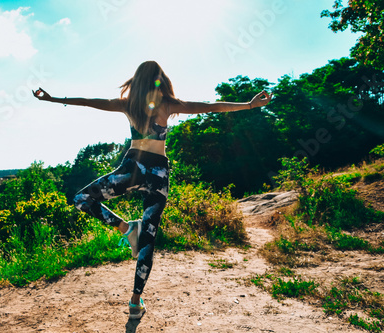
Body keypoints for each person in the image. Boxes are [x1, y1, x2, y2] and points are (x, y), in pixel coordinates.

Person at [33, 60, 272, 320]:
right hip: (152, 172)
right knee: (145, 238)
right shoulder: (153, 105)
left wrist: (53, 99)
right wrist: (248, 105)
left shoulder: (141, 105)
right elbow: (210, 106)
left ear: (137, 80)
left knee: (86, 201)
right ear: (160, 80)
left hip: (139, 169)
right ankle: (133, 286)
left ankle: (133, 278)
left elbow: (89, 100)